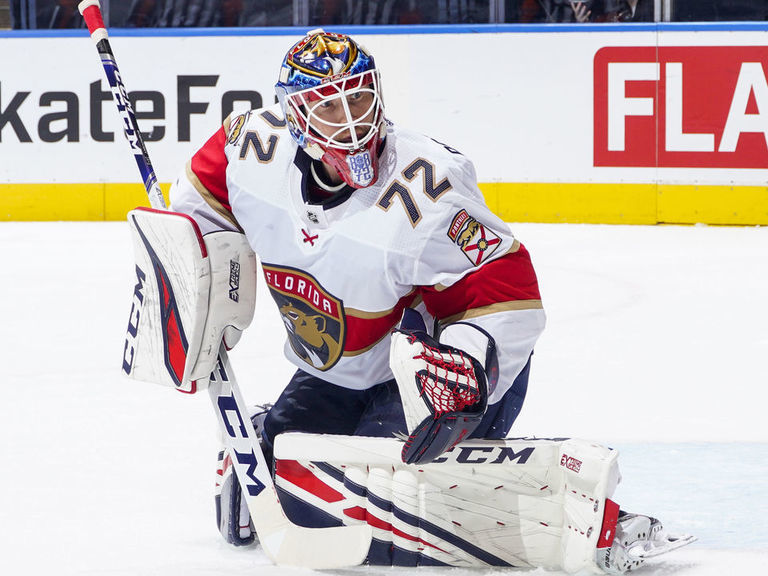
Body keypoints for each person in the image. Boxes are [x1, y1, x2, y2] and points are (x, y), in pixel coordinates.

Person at [163, 29, 692, 572]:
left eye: (360, 99)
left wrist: (465, 372)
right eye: (329, 109)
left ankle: (570, 508)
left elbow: (509, 292)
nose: (351, 124)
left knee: (359, 497)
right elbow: (195, 218)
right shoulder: (246, 148)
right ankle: (268, 428)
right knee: (276, 494)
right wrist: (184, 281)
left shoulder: (428, 187)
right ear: (295, 116)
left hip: (441, 382)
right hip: (340, 370)